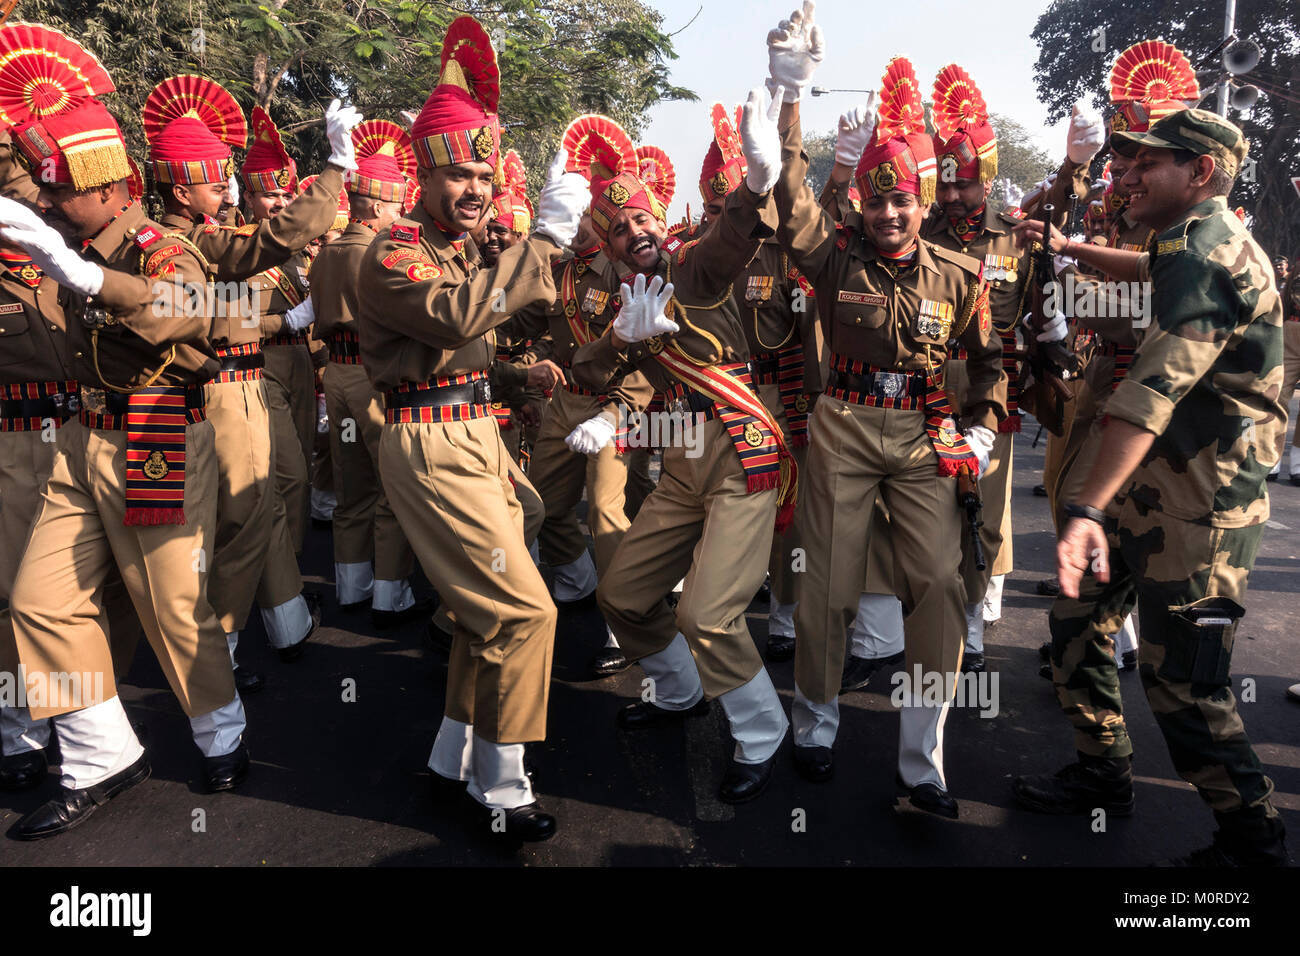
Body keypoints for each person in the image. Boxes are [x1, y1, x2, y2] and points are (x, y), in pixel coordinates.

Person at [1013, 108, 1288, 867]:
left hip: (1201, 506)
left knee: (1187, 689)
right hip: (1153, 490)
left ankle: (1252, 839)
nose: (1126, 174)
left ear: (1200, 173)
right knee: (1077, 627)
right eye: (1124, 161)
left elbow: (1150, 393)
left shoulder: (1207, 255)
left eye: (1148, 163)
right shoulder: (1187, 240)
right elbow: (1146, 268)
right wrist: (1073, 247)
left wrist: (1083, 508)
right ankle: (1103, 774)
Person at [765, 4, 1005, 817]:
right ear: (861, 204)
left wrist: (982, 423)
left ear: (921, 200)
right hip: (842, 429)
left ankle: (922, 758)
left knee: (939, 580)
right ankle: (817, 723)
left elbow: (990, 361)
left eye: (901, 201)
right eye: (876, 202)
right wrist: (790, 94)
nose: (889, 215)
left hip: (922, 436)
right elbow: (791, 197)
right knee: (827, 585)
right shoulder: (834, 261)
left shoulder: (958, 274)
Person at [356, 15, 590, 842]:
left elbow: (461, 347)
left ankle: (452, 754)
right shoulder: (394, 253)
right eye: (457, 175)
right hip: (430, 444)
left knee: (490, 613)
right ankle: (503, 785)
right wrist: (549, 239)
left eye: (484, 175)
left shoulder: (458, 247)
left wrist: (513, 374)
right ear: (421, 175)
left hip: (472, 431)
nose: (475, 189)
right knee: (526, 614)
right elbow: (457, 315)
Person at [0, 95, 246, 837]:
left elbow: (190, 306)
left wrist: (91, 281)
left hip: (153, 430)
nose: (46, 202)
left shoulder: (156, 247)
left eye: (60, 191)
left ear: (109, 188)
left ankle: (222, 731)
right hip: (82, 435)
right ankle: (101, 753)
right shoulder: (67, 235)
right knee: (36, 603)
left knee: (170, 605)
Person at [568, 95, 797, 805]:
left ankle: (762, 733)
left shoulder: (690, 265)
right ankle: (680, 692)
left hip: (741, 453)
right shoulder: (622, 299)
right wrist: (620, 344)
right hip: (682, 458)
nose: (635, 231)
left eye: (641, 217)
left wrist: (758, 183)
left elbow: (732, 241)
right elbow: (589, 373)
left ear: (657, 220)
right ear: (606, 248)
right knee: (624, 594)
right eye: (619, 229)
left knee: (707, 613)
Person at [144, 83, 356, 665]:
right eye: (215, 183)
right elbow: (216, 301)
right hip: (221, 389)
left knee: (272, 498)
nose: (227, 190)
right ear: (182, 191)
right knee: (240, 517)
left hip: (246, 383)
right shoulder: (176, 245)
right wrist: (335, 171)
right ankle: (223, 650)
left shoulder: (195, 240)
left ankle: (285, 621)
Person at [699, 101, 822, 664]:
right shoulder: (693, 254)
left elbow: (809, 335)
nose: (723, 214)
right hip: (715, 396)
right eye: (715, 206)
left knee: (785, 508)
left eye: (732, 204)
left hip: (775, 394)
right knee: (716, 502)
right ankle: (715, 603)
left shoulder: (781, 256)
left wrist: (811, 403)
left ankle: (785, 612)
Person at [302, 119, 425, 626]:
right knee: (393, 489)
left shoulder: (326, 251)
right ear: (374, 205)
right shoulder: (379, 253)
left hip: (338, 374)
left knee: (350, 494)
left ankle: (352, 587)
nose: (400, 212)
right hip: (374, 378)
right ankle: (389, 594)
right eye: (395, 204)